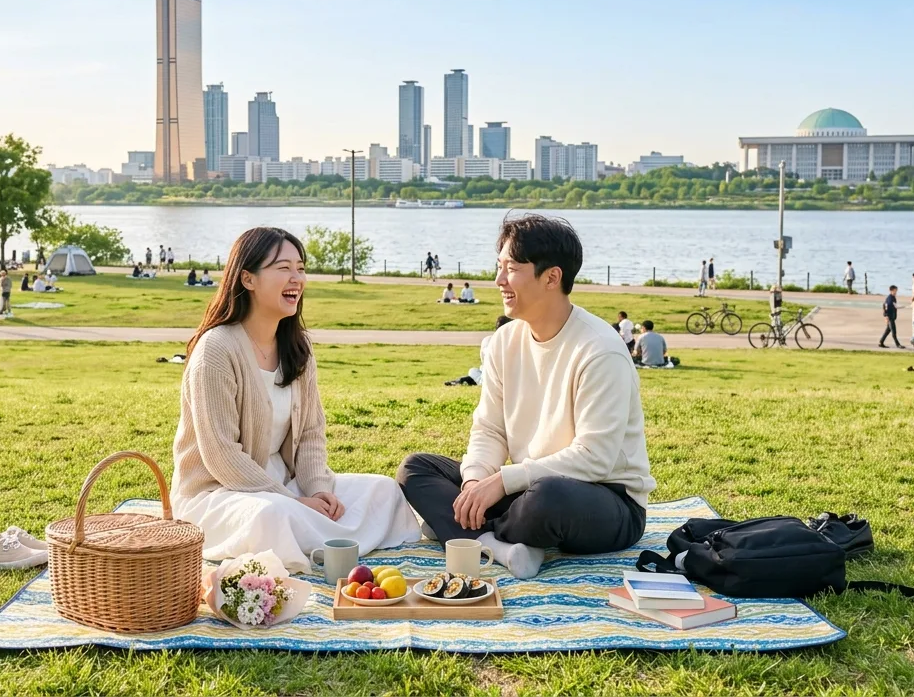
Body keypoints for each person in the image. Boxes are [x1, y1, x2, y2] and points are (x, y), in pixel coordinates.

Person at [397, 214, 655, 580]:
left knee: (547, 498)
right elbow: (490, 429)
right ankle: (500, 547)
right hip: (526, 486)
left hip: (603, 500)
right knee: (416, 469)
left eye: (512, 269)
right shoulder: (504, 341)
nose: (499, 281)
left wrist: (501, 482)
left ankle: (458, 530)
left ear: (552, 277)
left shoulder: (600, 350)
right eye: (499, 267)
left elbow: (596, 458)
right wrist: (474, 482)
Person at [171, 226, 420, 573]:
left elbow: (310, 435)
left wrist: (318, 491)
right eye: (283, 268)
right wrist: (296, 501)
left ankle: (320, 543)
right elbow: (222, 455)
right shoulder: (216, 349)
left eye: (301, 268)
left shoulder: (297, 347)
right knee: (273, 516)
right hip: (219, 495)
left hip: (287, 487)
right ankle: (326, 545)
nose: (297, 278)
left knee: (383, 492)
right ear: (248, 279)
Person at [446, 315, 513, 386]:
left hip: (492, 376)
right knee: (475, 370)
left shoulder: (488, 340)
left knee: (473, 371)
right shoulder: (514, 342)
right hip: (505, 375)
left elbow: (484, 360)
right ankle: (471, 380)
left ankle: (476, 381)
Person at [879, 284, 903, 349]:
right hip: (890, 317)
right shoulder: (890, 299)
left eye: (896, 291)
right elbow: (885, 306)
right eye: (895, 291)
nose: (896, 292)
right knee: (893, 331)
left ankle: (881, 342)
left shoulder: (893, 298)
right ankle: (898, 344)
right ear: (891, 290)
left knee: (888, 330)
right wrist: (886, 316)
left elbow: (895, 306)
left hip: (892, 316)